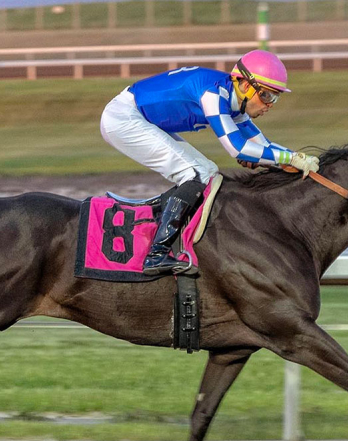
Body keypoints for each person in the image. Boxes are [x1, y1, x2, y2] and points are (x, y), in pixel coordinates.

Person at [100, 50, 319, 276]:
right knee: (195, 174)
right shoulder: (213, 94)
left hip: (140, 118)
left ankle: (178, 238)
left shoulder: (235, 105)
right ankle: (156, 254)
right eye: (266, 95)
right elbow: (238, 149)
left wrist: (298, 160)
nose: (270, 104)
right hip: (123, 118)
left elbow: (263, 145)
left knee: (208, 173)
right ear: (245, 85)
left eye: (275, 98)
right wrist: (291, 159)